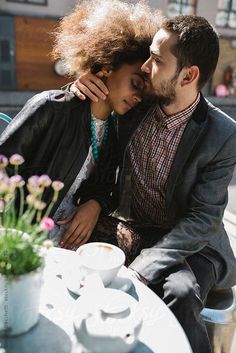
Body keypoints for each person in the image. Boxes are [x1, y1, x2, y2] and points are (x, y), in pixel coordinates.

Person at [69, 14, 236, 353]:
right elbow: (105, 169)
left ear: (188, 75)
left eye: (158, 60)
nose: (146, 67)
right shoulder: (136, 104)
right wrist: (79, 86)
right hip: (137, 227)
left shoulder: (223, 134)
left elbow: (202, 220)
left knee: (181, 291)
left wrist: (143, 267)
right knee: (70, 251)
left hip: (194, 247)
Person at [0, 0, 161, 245]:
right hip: (25, 227)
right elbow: (3, 165)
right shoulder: (51, 106)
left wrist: (95, 204)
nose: (138, 97)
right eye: (136, 83)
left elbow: (107, 187)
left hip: (70, 227)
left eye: (144, 93)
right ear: (107, 67)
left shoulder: (115, 129)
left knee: (132, 240)